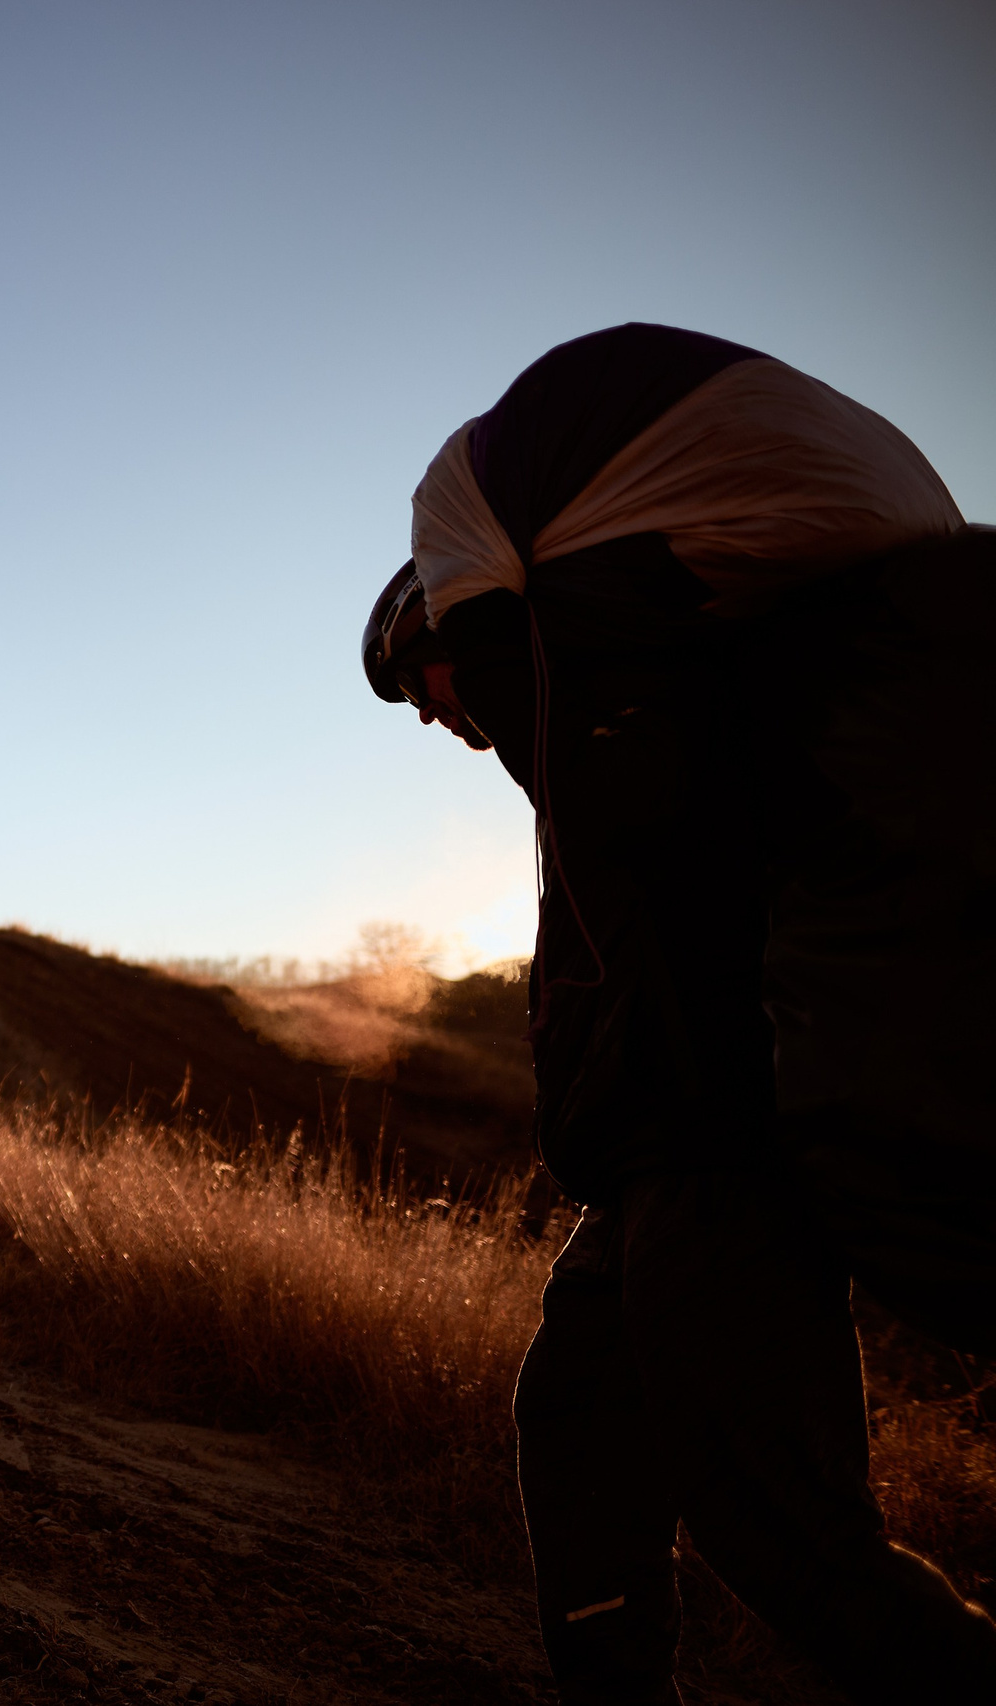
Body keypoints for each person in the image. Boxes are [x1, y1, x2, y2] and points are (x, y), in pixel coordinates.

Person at [363, 323, 996, 1704]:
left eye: (421, 679)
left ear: (459, 621)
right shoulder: (621, 749)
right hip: (653, 1165)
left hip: (718, 1150)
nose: (430, 718)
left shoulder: (655, 719)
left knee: (784, 1534)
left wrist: (503, 620)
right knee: (577, 1424)